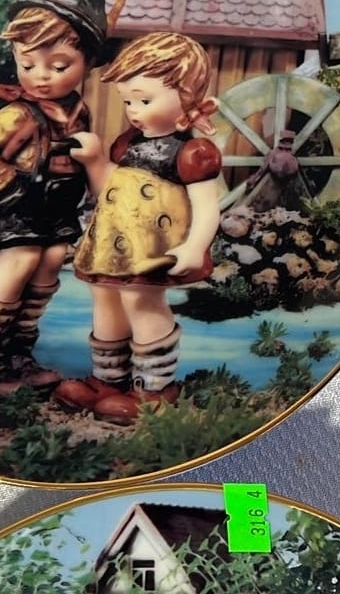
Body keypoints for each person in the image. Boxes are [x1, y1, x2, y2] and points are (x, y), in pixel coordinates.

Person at [0, 0, 122, 390]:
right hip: (15, 203)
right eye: (27, 65)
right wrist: (11, 191)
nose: (40, 76)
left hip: (56, 206)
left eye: (59, 67)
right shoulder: (18, 114)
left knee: (50, 261)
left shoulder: (78, 112)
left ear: (88, 63)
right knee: (20, 260)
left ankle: (17, 352)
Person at [52, 32, 223, 422]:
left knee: (141, 302)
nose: (133, 110)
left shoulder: (192, 152)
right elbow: (109, 188)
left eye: (144, 100)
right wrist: (95, 161)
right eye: (128, 100)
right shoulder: (127, 143)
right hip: (112, 243)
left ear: (187, 95)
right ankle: (107, 380)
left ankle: (154, 387)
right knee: (105, 298)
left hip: (153, 246)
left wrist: (194, 246)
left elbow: (207, 207)